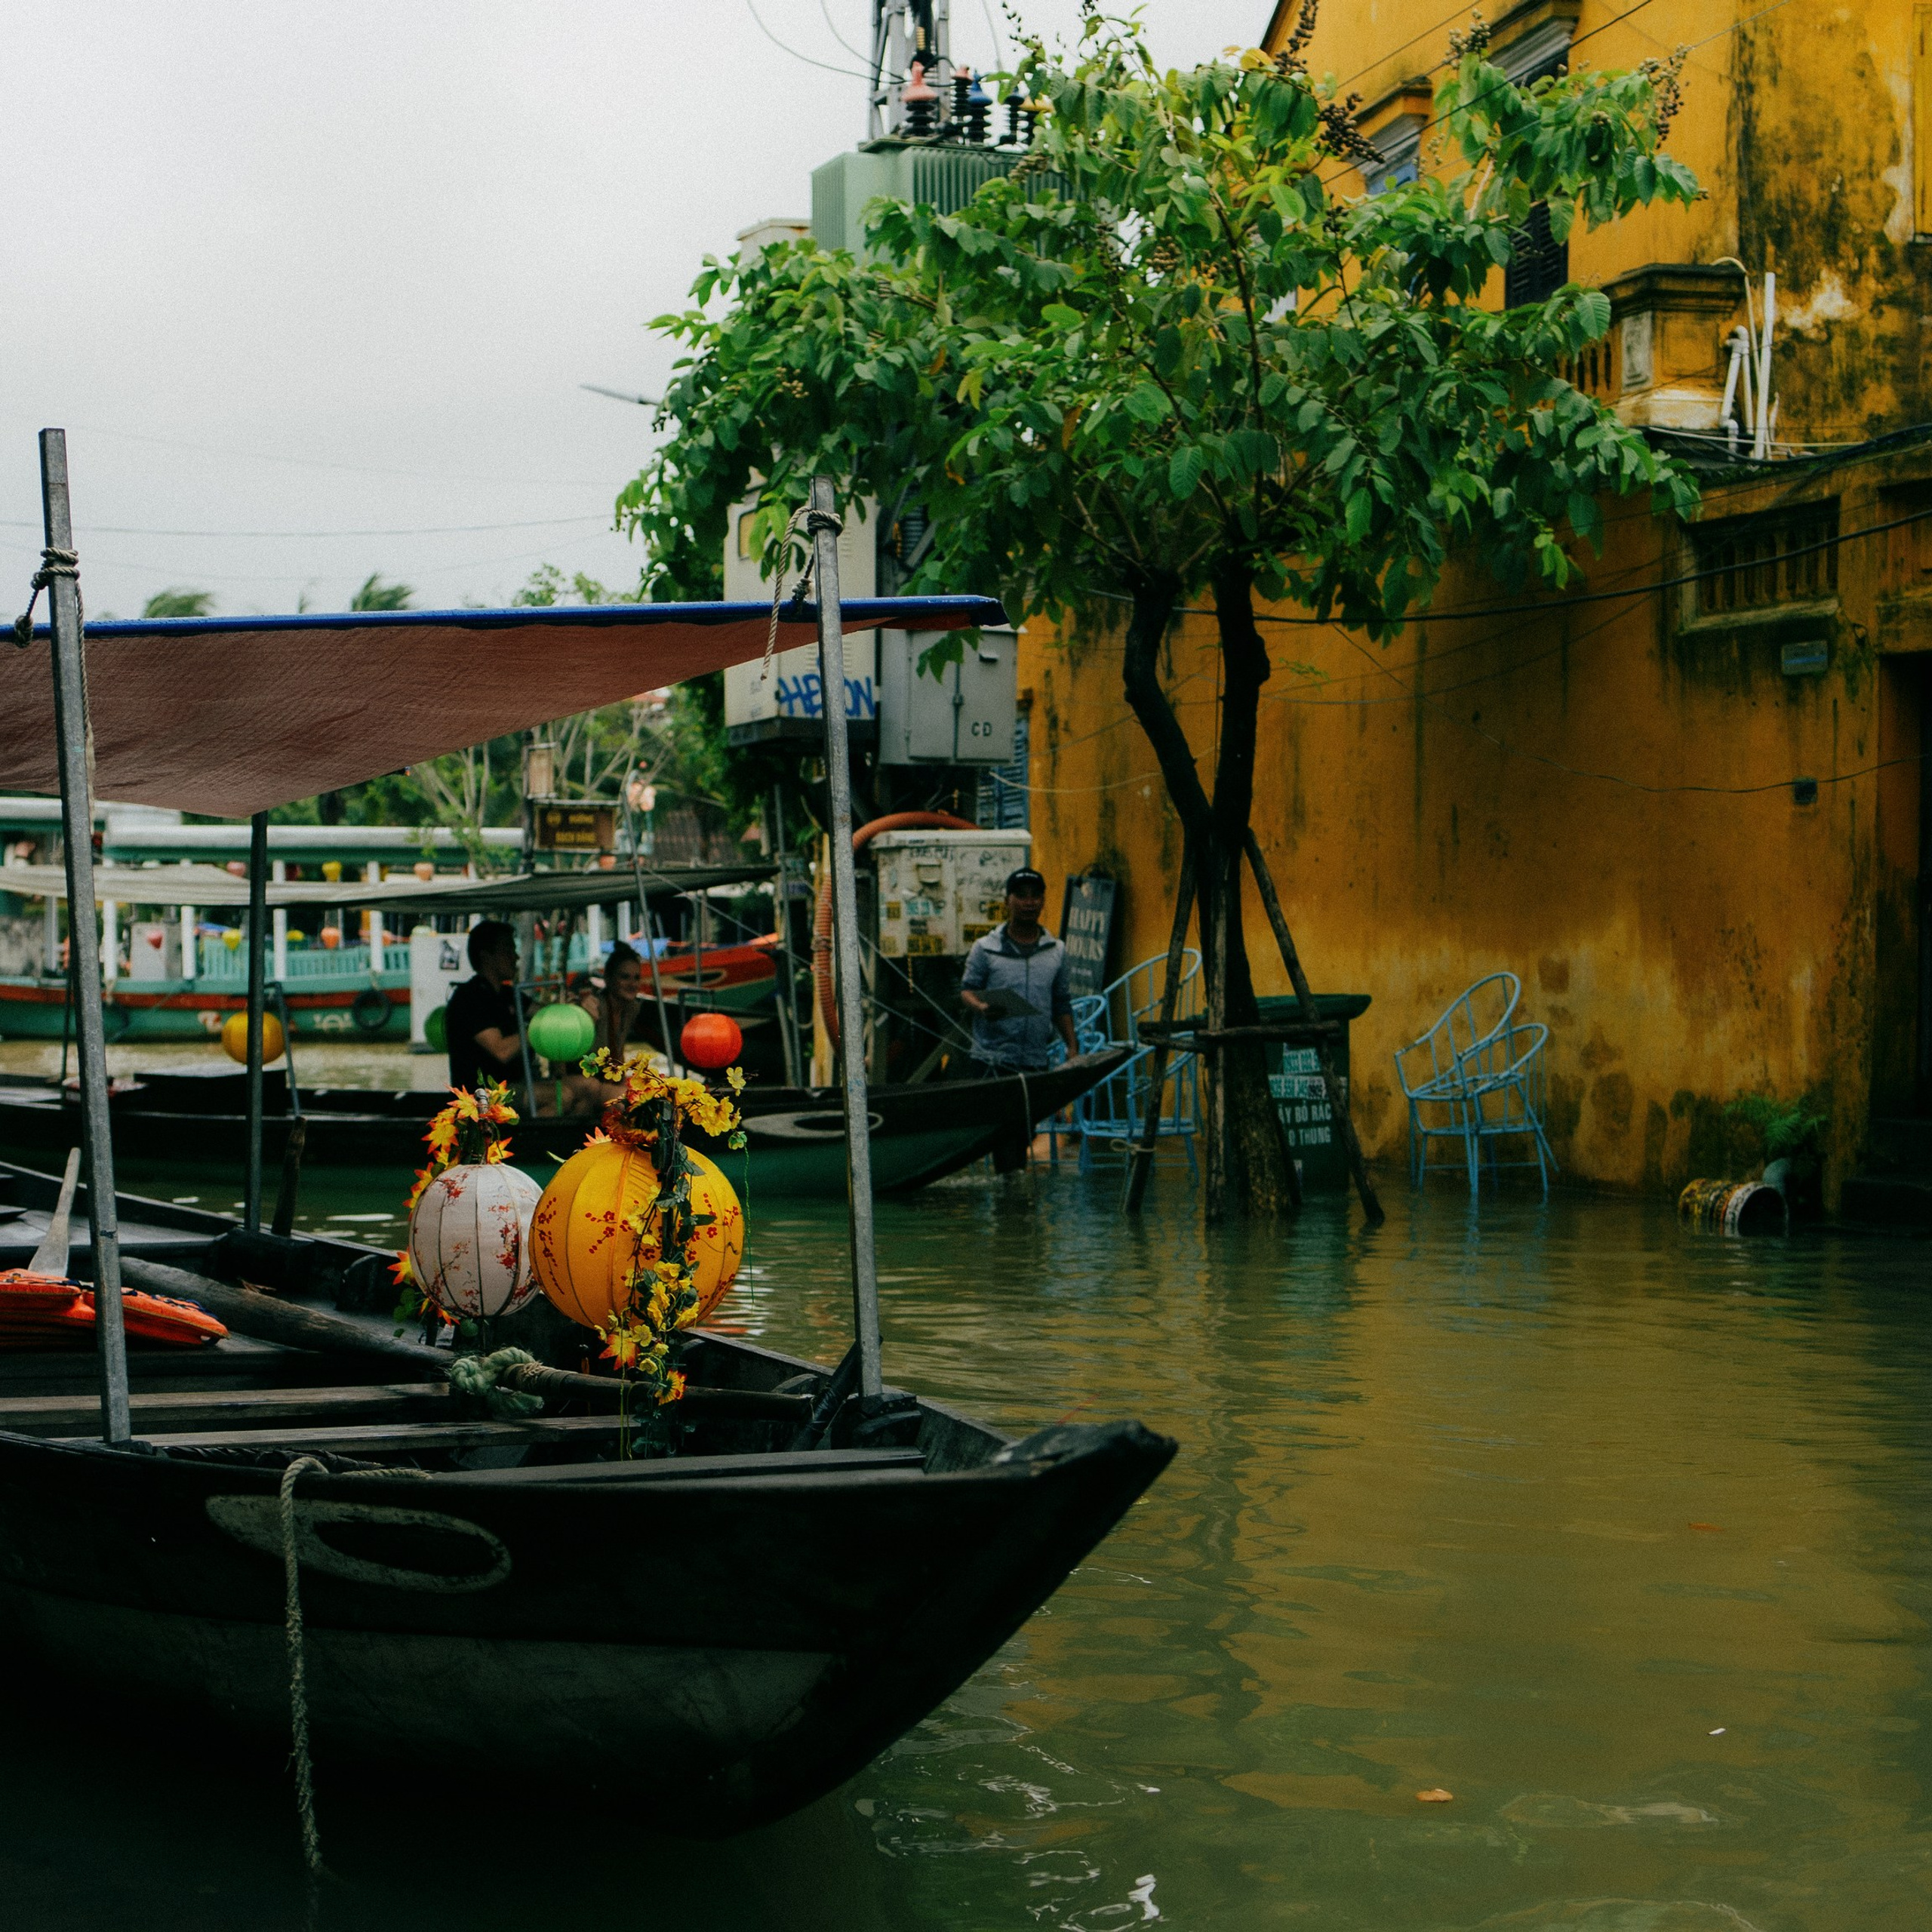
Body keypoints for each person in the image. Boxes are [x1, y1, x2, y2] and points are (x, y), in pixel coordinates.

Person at [956, 868, 1078, 1171]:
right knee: (1002, 1134)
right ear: (1007, 901)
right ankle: (1009, 1199)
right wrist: (982, 1008)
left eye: (1035, 896)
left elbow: (1061, 1002)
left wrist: (1072, 1046)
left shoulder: (1056, 951)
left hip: (1035, 1059)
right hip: (993, 1058)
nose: (1028, 902)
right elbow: (967, 991)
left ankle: (1010, 1197)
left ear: (1043, 901)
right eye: (1020, 896)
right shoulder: (985, 949)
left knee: (1025, 1133)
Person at [559, 940, 648, 1112]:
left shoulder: (631, 1009)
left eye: (636, 978)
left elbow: (618, 1050)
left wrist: (621, 1080)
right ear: (608, 978)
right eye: (625, 977)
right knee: (629, 1102)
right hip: (581, 1080)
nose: (632, 984)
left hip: (604, 1081)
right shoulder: (592, 1007)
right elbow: (562, 1053)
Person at [444, 920, 523, 1094]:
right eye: (508, 950)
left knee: (589, 1088)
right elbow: (502, 1051)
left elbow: (543, 1010)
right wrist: (537, 1031)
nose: (516, 957)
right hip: (482, 1098)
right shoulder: (468, 998)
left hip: (515, 1086)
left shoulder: (509, 994)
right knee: (565, 1095)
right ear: (486, 956)